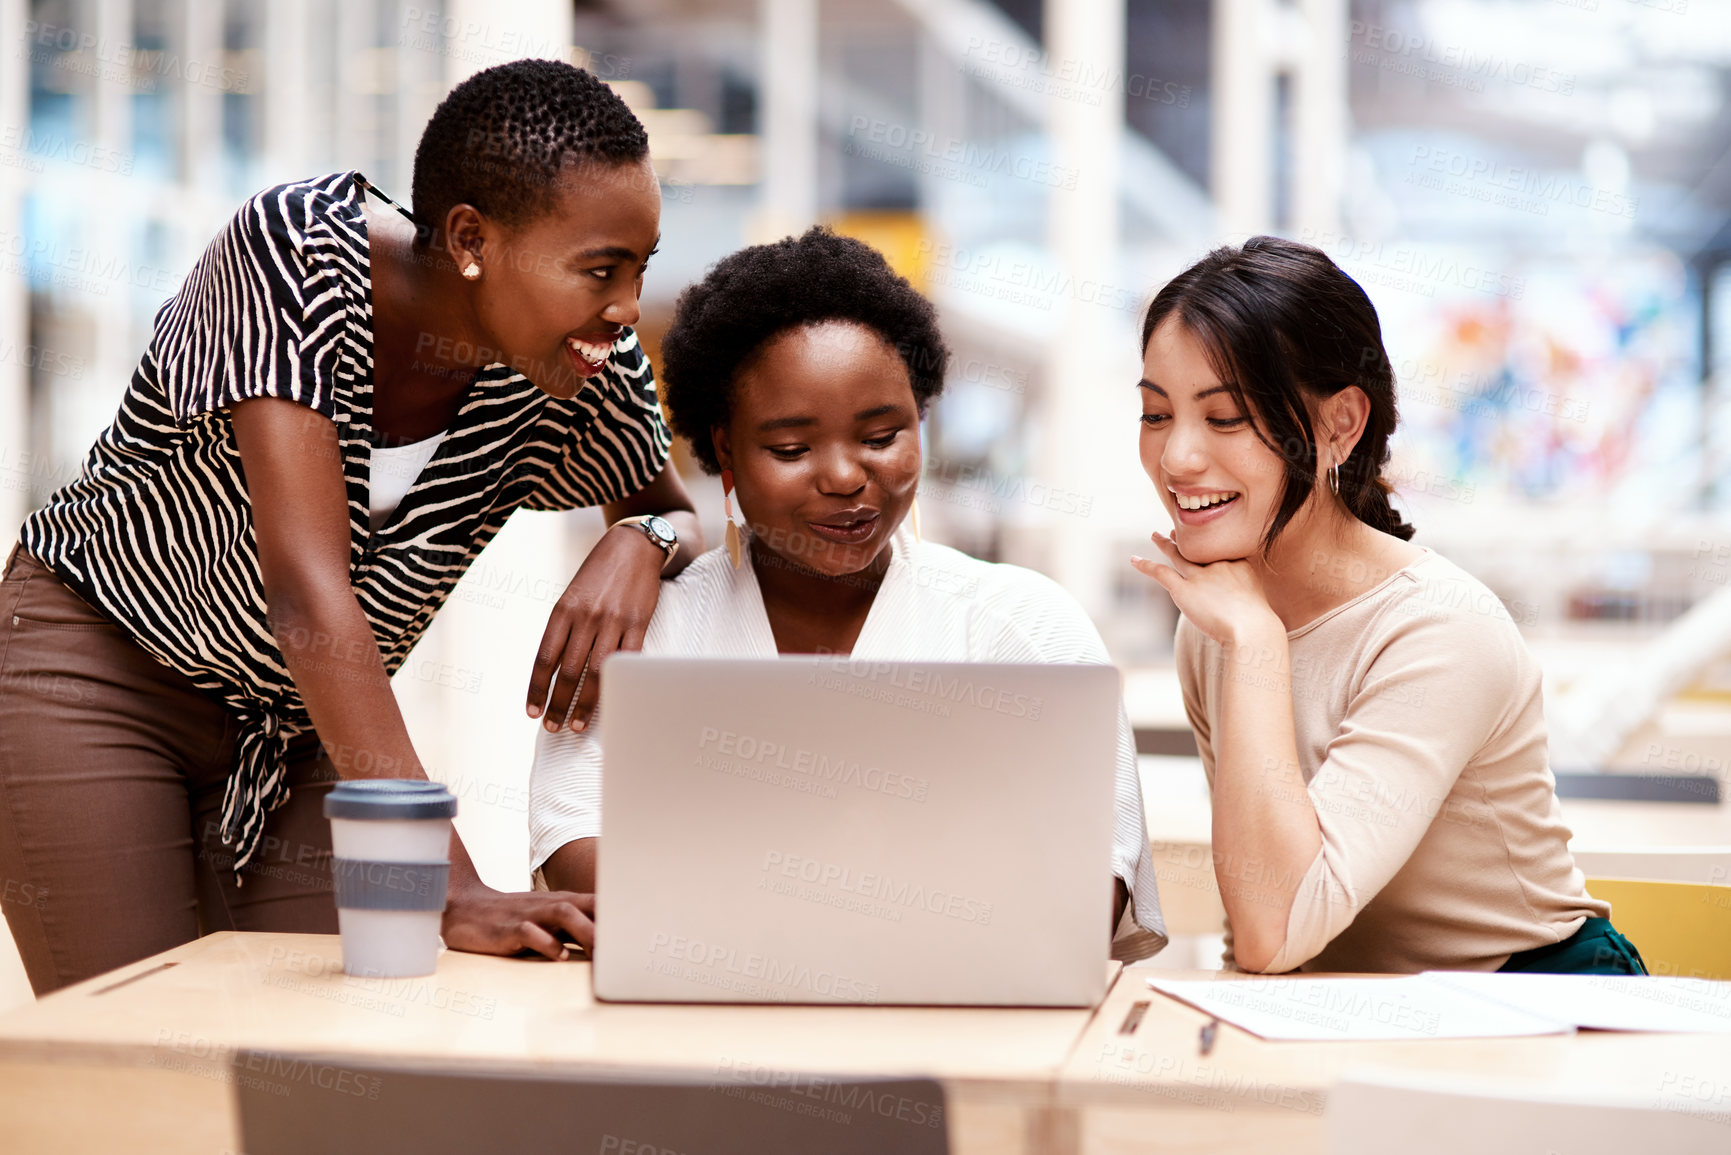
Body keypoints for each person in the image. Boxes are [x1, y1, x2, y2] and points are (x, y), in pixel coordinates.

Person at [0, 60, 702, 995]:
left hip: (298, 730)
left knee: (358, 1028)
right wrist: (446, 881)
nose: (624, 309)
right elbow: (304, 587)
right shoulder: (296, 253)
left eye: (639, 269)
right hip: (98, 676)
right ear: (468, 238)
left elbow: (683, 521)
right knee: (147, 1037)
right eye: (598, 270)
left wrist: (638, 541)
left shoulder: (581, 370)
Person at [529, 228, 1167, 960]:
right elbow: (575, 855)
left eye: (881, 434)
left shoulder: (1024, 628)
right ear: (725, 452)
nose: (842, 475)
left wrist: (748, 902)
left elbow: (1083, 895)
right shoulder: (646, 635)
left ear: (920, 423)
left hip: (959, 1045)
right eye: (791, 448)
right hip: (690, 1042)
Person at [1131, 236, 1643, 975]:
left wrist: (1255, 645)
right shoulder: (1217, 624)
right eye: (1154, 415)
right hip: (1353, 1008)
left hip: (1534, 999)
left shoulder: (1436, 627)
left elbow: (1274, 927)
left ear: (1339, 424)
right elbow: (1258, 907)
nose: (1176, 457)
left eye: (1225, 418)